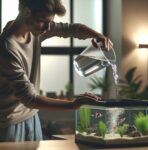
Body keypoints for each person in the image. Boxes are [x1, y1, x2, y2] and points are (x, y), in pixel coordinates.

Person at [0, 0, 113, 142]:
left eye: (50, 22)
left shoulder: (34, 28)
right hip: (9, 122)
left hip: (32, 116)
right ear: (27, 12)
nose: (48, 28)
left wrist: (97, 35)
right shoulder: (7, 48)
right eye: (42, 21)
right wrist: (74, 104)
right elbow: (29, 98)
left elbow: (70, 28)